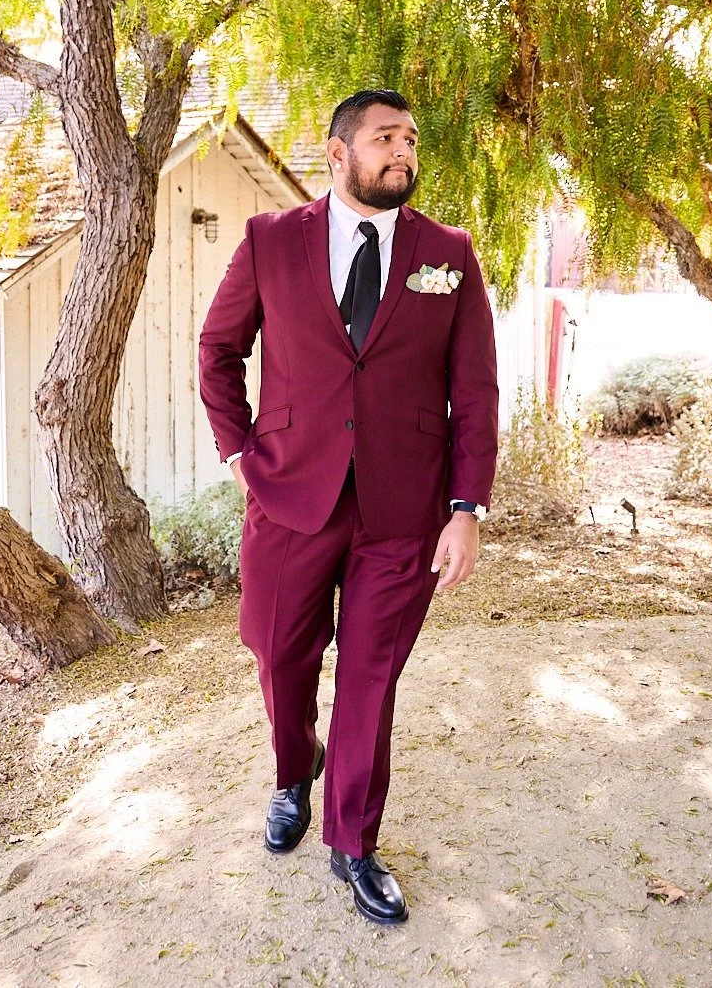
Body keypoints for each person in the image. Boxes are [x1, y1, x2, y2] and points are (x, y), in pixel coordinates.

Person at [198, 89, 498, 925]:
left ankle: (353, 843)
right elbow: (219, 350)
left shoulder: (448, 253)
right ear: (338, 154)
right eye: (385, 138)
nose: (403, 152)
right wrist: (238, 452)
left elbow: (475, 389)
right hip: (290, 494)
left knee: (371, 675)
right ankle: (296, 769)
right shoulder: (271, 241)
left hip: (405, 508)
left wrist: (466, 508)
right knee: (276, 652)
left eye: (411, 139)